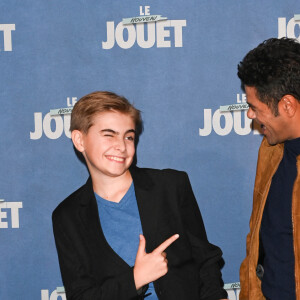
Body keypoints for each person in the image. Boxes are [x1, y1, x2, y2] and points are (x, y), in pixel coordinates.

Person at [52, 91, 228, 300]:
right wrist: (135, 279)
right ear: (79, 140)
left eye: (129, 136)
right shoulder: (68, 216)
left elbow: (205, 260)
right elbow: (81, 295)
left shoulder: (170, 187)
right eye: (109, 134)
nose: (121, 146)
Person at [238, 38, 300, 300]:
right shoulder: (270, 150)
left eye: (254, 107)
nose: (250, 115)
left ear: (287, 105)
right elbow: (259, 242)